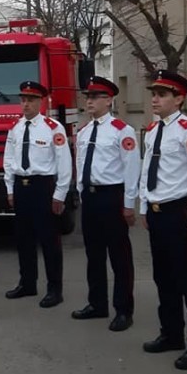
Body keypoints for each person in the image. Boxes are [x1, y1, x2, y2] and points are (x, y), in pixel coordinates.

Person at [139, 70, 187, 371]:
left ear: (179, 98)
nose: (155, 99)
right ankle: (171, 333)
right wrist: (144, 205)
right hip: (158, 212)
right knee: (164, 278)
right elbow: (148, 170)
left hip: (180, 212)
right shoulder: (154, 128)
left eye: (162, 94)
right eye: (154, 94)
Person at [70, 77, 140, 331]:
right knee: (94, 254)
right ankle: (97, 303)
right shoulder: (85, 130)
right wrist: (80, 191)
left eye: (95, 96)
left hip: (112, 196)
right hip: (90, 196)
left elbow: (131, 168)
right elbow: (80, 162)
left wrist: (129, 203)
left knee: (119, 256)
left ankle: (123, 309)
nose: (89, 101)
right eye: (88, 96)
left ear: (108, 100)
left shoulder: (122, 130)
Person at [3, 81, 72, 307]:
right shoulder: (15, 127)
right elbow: (9, 160)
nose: (26, 104)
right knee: (23, 239)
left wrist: (60, 194)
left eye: (31, 100)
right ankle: (27, 283)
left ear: (40, 102)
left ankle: (55, 289)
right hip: (22, 187)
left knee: (49, 241)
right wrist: (10, 188)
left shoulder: (53, 128)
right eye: (23, 99)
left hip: (43, 187)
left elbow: (64, 163)